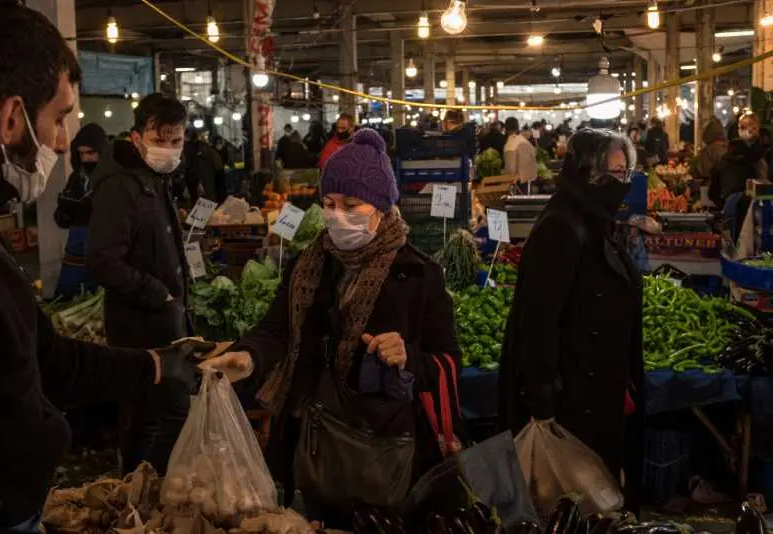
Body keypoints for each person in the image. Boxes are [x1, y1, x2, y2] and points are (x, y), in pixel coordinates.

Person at [0, 5, 215, 532]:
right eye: (59, 118)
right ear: (10, 116)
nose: (64, 142)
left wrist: (155, 364)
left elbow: (48, 358)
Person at [200, 129, 464, 528]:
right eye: (329, 203)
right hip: (315, 436)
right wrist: (249, 355)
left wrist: (408, 353)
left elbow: (447, 361)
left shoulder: (419, 274)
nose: (337, 215)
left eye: (351, 204)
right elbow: (277, 328)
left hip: (383, 445)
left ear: (382, 207)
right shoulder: (310, 264)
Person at [498, 129, 644, 511]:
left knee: (593, 499)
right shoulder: (561, 227)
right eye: (614, 173)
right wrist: (542, 400)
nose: (622, 183)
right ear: (587, 171)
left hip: (592, 391)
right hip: (571, 402)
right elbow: (537, 320)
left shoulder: (593, 219)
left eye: (626, 173)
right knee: (567, 504)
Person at [87, 93, 193, 475]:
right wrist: (158, 293)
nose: (167, 148)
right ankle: (140, 496)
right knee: (155, 418)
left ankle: (148, 497)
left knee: (160, 415)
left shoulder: (154, 178)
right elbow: (102, 261)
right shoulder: (120, 185)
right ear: (136, 137)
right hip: (139, 330)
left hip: (165, 328)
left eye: (175, 140)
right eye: (158, 139)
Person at [53, 123, 108, 298]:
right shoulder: (76, 177)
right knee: (67, 297)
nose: (86, 159)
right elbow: (63, 221)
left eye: (91, 153)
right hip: (75, 253)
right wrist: (65, 210)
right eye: (81, 153)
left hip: (103, 248)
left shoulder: (113, 178)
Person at [691, 118, 727, 183]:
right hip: (725, 184)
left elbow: (704, 170)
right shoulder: (728, 147)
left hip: (712, 184)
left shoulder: (709, 150)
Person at [504, 117, 537, 184]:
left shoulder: (510, 144)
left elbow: (510, 168)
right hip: (528, 178)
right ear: (517, 127)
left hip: (517, 180)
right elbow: (534, 154)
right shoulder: (524, 141)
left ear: (505, 129)